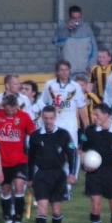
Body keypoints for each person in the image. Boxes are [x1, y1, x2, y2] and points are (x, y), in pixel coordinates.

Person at [27, 105, 77, 223]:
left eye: (51, 118)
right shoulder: (36, 135)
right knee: (42, 209)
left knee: (56, 210)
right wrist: (30, 177)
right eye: (45, 118)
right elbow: (30, 158)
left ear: (55, 118)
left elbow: (72, 154)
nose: (48, 121)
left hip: (58, 176)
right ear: (42, 118)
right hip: (41, 175)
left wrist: (72, 173)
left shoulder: (63, 134)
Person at [0, 93, 36, 223]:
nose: (9, 112)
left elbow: (33, 135)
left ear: (17, 106)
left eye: (12, 109)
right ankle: (8, 221)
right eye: (7, 110)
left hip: (20, 160)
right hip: (2, 162)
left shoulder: (24, 117)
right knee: (6, 191)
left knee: (19, 187)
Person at [40, 59, 88, 191]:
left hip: (70, 125)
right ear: (57, 71)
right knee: (53, 152)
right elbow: (44, 103)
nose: (65, 72)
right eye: (62, 70)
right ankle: (55, 179)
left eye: (67, 70)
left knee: (72, 152)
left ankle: (69, 183)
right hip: (53, 124)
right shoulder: (49, 85)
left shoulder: (75, 86)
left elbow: (81, 107)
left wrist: (87, 127)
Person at [52, 5, 98, 78]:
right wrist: (67, 30)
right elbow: (57, 43)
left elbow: (94, 50)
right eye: (74, 18)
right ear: (70, 17)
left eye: (79, 18)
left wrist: (90, 68)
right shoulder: (63, 28)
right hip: (68, 73)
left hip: (85, 72)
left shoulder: (87, 30)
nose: (77, 21)